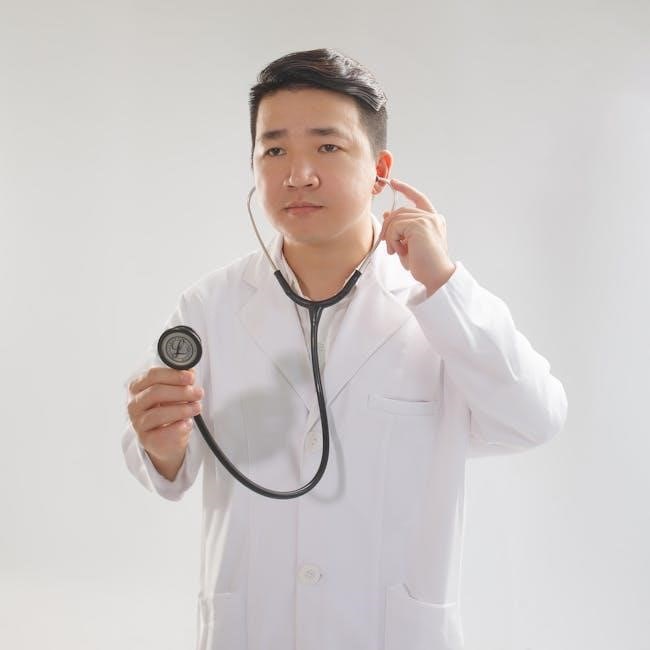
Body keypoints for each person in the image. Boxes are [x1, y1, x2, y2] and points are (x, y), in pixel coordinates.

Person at [122, 48, 568, 650]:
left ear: (380, 171)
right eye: (274, 150)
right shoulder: (210, 306)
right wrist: (161, 445)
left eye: (327, 147)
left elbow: (535, 420)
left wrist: (444, 283)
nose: (297, 175)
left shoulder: (437, 304)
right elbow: (164, 471)